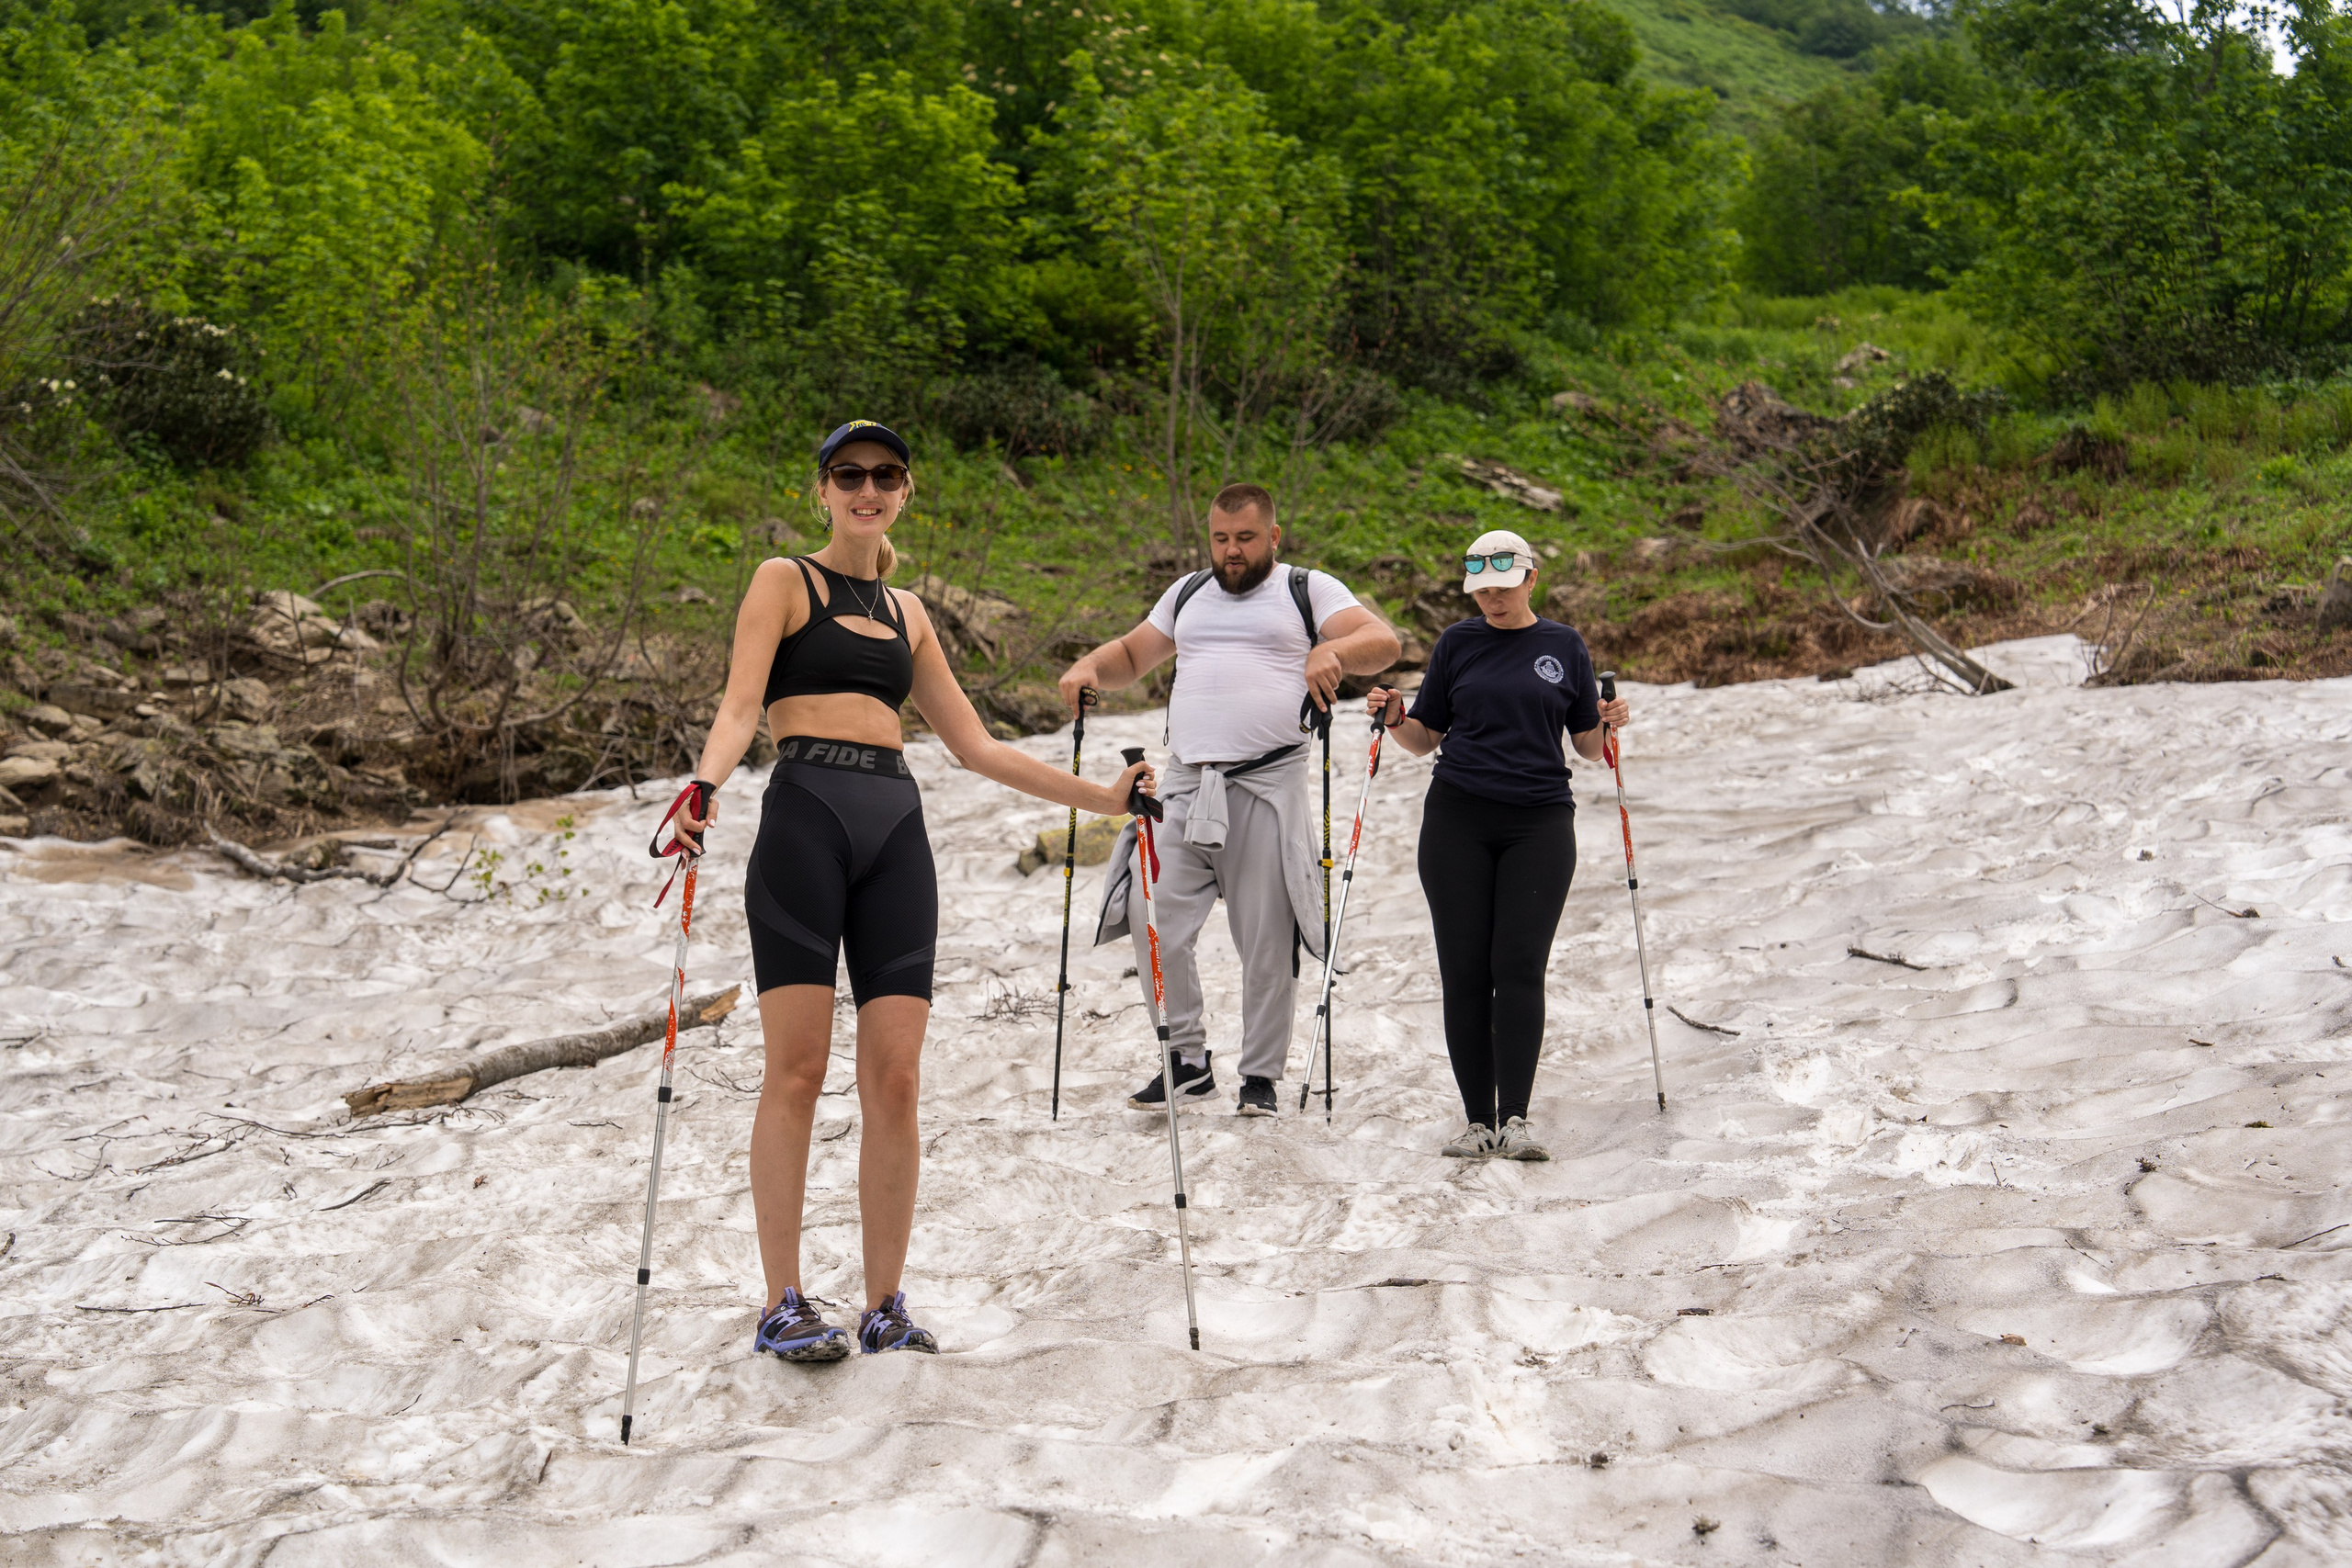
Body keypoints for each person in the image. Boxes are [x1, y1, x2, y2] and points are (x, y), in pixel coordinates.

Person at [671, 420, 1149, 1361]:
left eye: (885, 475)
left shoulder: (909, 612)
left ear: (904, 490)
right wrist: (703, 785)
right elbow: (738, 705)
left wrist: (1105, 798)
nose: (867, 489)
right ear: (821, 489)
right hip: (804, 821)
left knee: (895, 1077)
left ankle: (884, 1304)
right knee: (797, 1071)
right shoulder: (783, 580)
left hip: (895, 830)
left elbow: (976, 747)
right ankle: (781, 1301)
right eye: (849, 474)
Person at [1057, 482, 1400, 1117]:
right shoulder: (1188, 592)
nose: (1232, 550)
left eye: (1245, 538)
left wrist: (1331, 649)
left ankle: (1260, 1076)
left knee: (1267, 939)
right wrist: (1090, 667)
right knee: (1152, 914)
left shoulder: (1306, 589)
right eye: (1220, 538)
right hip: (1185, 783)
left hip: (1267, 783)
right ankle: (1186, 1062)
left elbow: (1383, 642)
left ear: (1273, 535)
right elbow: (1132, 653)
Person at [1364, 527, 1630, 1160]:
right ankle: (1477, 1122)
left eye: (1504, 588)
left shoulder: (1563, 645)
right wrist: (1397, 717)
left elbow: (1588, 747)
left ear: (1531, 578)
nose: (1493, 600)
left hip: (1540, 821)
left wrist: (1608, 721)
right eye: (1482, 591)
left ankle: (1516, 1118)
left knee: (1517, 965)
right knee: (1464, 971)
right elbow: (1426, 737)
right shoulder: (1457, 643)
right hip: (1457, 818)